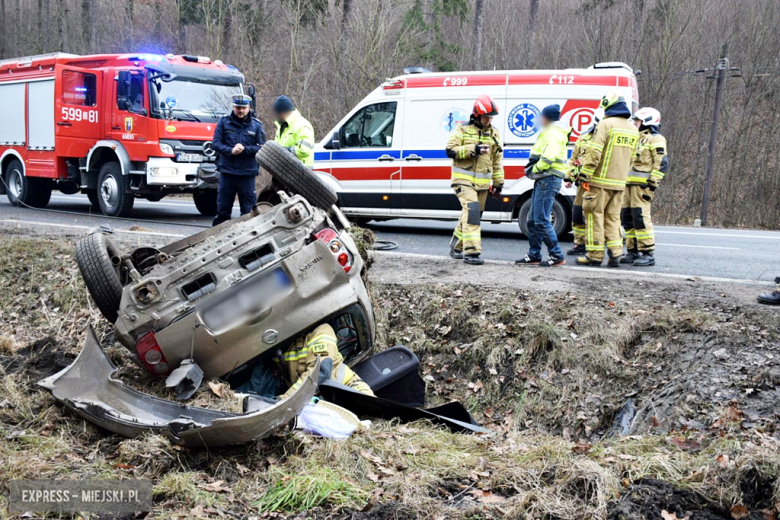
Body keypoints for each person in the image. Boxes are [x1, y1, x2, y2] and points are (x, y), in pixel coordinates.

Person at [577, 92, 639, 267]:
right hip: (619, 183)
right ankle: (615, 253)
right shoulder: (633, 129)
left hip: (599, 181)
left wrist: (585, 174)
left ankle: (595, 255)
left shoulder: (605, 124)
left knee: (593, 216)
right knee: (613, 217)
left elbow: (594, 151)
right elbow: (633, 158)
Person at [446, 94, 504, 265]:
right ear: (477, 114)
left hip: (483, 184)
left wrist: (499, 184)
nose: (489, 120)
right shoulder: (462, 129)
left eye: (491, 117)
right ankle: (471, 252)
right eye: (486, 116)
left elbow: (497, 160)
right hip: (463, 180)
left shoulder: (494, 133)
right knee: (472, 213)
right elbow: (450, 150)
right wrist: (474, 149)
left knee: (472, 216)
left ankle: (456, 247)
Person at [515, 104, 572, 267]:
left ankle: (556, 255)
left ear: (547, 117)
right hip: (545, 179)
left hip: (548, 178)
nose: (540, 119)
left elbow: (548, 157)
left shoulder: (554, 133)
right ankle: (534, 254)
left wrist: (534, 169)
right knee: (533, 219)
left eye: (542, 116)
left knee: (540, 219)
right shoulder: (553, 132)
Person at [620, 107, 668, 267]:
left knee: (641, 218)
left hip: (643, 187)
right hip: (629, 186)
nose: (635, 123)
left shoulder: (656, 139)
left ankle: (647, 253)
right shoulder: (637, 138)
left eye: (638, 121)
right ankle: (632, 251)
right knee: (627, 218)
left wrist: (652, 184)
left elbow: (661, 163)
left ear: (647, 122)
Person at [278, 323, 374, 399]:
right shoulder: (281, 346)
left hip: (349, 389)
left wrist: (284, 401)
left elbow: (319, 374)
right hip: (313, 400)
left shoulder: (321, 331)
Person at [211, 94, 266, 226]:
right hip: (227, 172)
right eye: (237, 107)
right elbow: (215, 143)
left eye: (243, 108)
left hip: (247, 174)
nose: (240, 111)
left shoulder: (257, 126)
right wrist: (231, 151)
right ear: (233, 107)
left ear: (249, 108)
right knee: (223, 210)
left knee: (248, 212)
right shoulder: (224, 123)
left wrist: (245, 149)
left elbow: (261, 148)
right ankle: (218, 236)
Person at [566, 108, 603, 256]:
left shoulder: (606, 139)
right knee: (577, 213)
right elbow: (573, 159)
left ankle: (592, 245)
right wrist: (569, 176)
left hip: (597, 183)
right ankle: (579, 243)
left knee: (592, 215)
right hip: (582, 182)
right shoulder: (584, 137)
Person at [273, 95, 316, 167]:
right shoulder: (282, 125)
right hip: (285, 170)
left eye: (278, 113)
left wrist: (284, 152)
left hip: (301, 172)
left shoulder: (302, 125)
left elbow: (304, 150)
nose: (276, 116)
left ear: (283, 112)